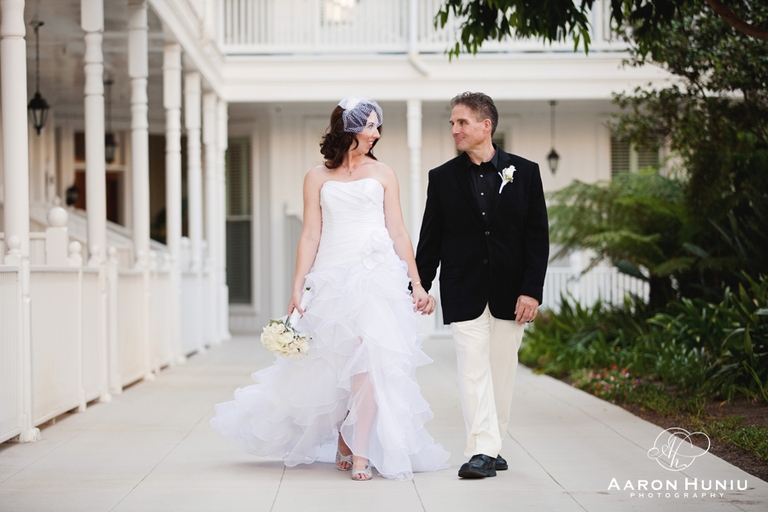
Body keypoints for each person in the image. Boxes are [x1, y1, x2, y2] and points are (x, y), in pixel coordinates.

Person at [211, 96, 450, 481]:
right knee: (334, 359)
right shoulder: (316, 177)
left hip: (376, 275)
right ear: (349, 129)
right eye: (369, 125)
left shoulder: (385, 173)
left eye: (377, 126)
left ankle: (361, 450)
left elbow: (399, 230)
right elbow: (310, 235)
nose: (376, 133)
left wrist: (417, 283)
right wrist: (297, 287)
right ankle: (343, 432)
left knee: (370, 359)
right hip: (332, 275)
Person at [415, 92, 549, 479]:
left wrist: (532, 290)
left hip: (512, 293)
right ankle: (482, 451)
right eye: (453, 123)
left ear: (485, 125)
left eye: (462, 122)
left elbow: (537, 238)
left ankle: (492, 444)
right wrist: (421, 285)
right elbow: (431, 238)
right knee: (472, 371)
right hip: (463, 288)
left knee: (501, 373)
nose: (454, 129)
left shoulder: (525, 172)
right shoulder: (441, 178)